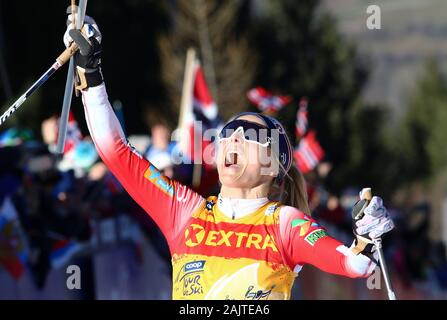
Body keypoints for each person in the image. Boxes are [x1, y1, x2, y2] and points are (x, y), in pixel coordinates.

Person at [63, 16, 394, 300]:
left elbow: (354, 263)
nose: (233, 137)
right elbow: (116, 152)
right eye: (229, 132)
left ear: (273, 167)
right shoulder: (183, 210)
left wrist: (367, 235)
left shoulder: (285, 224)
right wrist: (91, 74)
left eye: (250, 135)